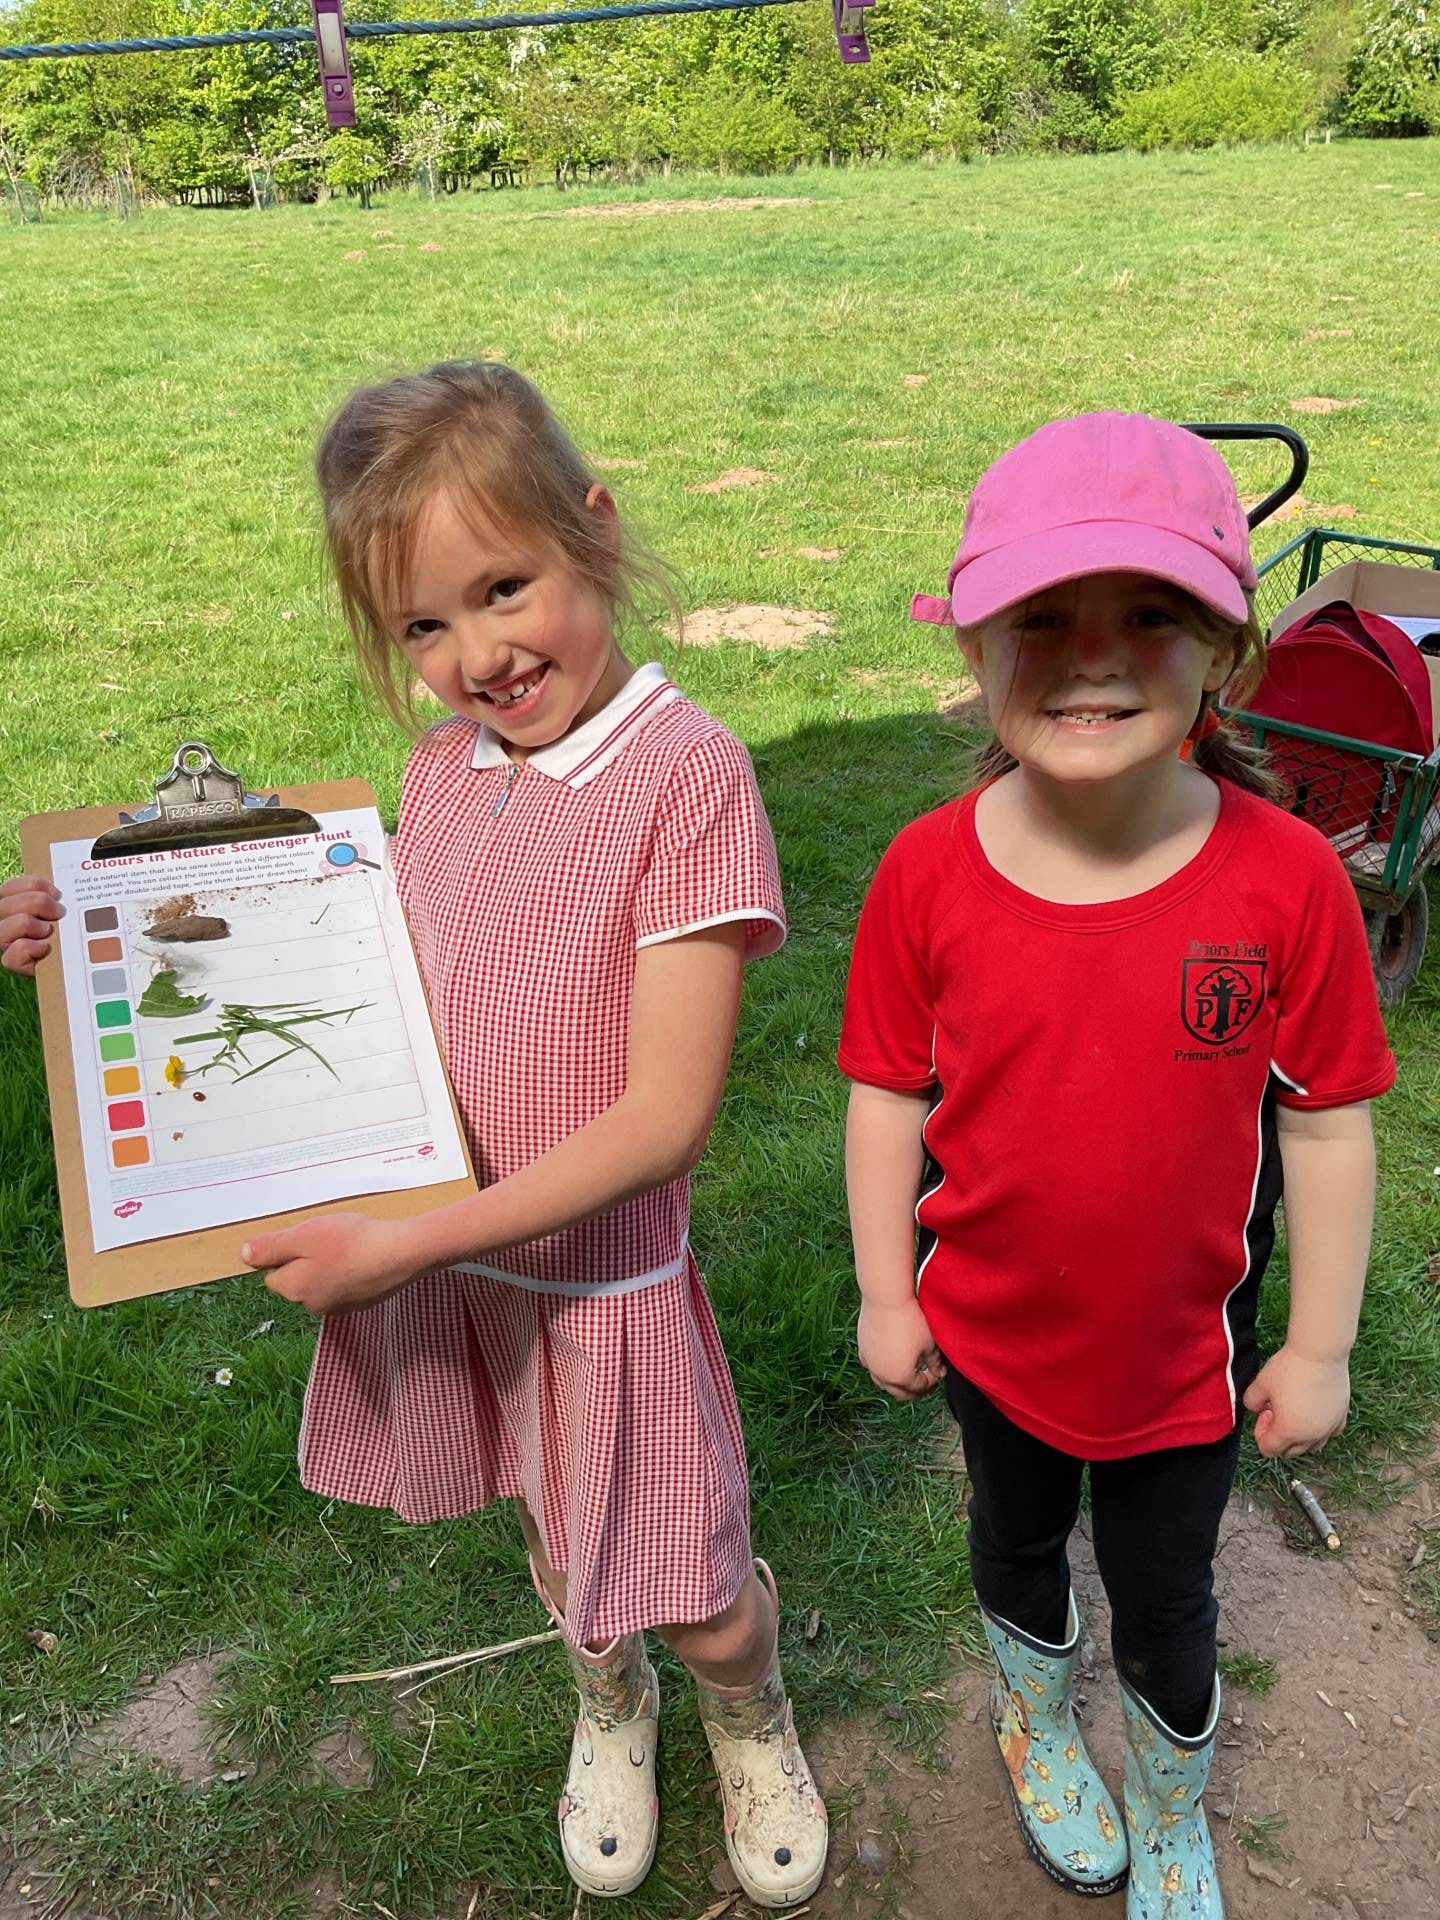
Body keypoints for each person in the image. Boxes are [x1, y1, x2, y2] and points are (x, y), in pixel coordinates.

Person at [0, 361, 827, 1909]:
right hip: (466, 1276)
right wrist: (97, 923)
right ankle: (608, 1696)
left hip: (606, 1293)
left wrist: (403, 1247)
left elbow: (663, 1119)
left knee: (697, 1581)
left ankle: (743, 1703)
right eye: (423, 628)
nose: (476, 657)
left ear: (595, 529)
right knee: (555, 1544)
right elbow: (347, 962)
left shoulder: (686, 777)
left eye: (503, 589)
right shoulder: (442, 769)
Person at [838, 412, 1394, 1918]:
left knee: (1169, 1596)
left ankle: (1170, 1803)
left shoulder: (1289, 883)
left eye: (1149, 613)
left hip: (1180, 1366)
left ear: (1227, 649)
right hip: (992, 1338)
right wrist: (889, 1292)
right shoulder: (925, 873)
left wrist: (1320, 1346)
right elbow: (886, 1092)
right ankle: (1033, 1718)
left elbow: (1326, 1121)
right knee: (1013, 1543)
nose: (1092, 657)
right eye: (1042, 617)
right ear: (973, 646)